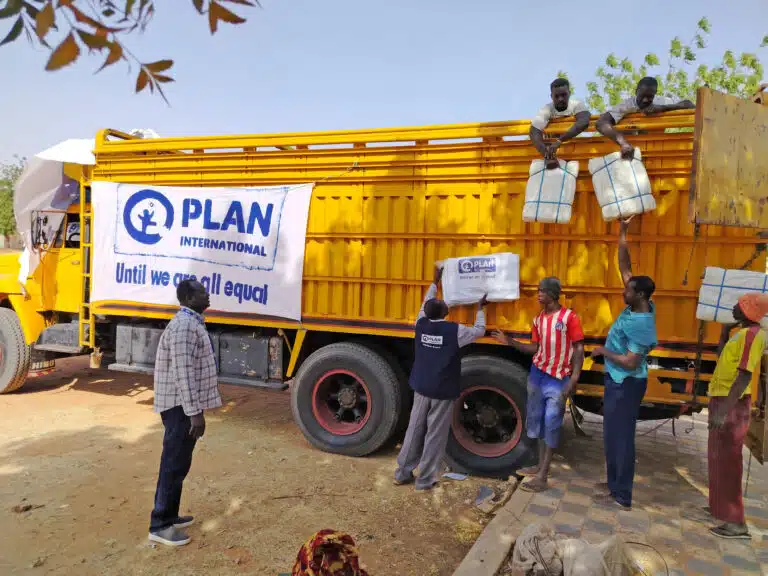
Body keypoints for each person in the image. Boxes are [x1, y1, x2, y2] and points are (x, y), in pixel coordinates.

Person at [394, 264, 487, 490]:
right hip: (443, 390)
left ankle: (402, 472)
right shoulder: (455, 331)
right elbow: (479, 330)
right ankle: (425, 480)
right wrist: (481, 308)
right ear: (446, 312)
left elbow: (426, 304)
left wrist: (435, 283)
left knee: (414, 429)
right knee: (435, 435)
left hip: (421, 386)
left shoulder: (420, 324)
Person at [492, 277, 585, 492]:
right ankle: (540, 466)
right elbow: (535, 349)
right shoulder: (538, 320)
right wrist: (510, 342)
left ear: (553, 293)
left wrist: (574, 378)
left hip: (558, 378)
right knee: (536, 420)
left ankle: (542, 476)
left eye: (542, 291)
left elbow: (579, 348)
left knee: (552, 422)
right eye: (538, 290)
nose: (539, 294)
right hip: (537, 375)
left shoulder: (569, 317)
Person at [590, 218, 657, 510]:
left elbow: (631, 362)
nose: (622, 291)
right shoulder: (638, 303)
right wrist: (623, 232)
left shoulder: (642, 323)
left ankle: (622, 495)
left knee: (621, 438)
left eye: (627, 290)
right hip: (618, 381)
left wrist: (603, 351)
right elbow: (624, 266)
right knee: (612, 436)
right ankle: (613, 483)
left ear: (639, 295)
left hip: (626, 383)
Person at [148, 279, 221, 546]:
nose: (207, 293)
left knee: (180, 463)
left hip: (183, 406)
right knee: (173, 463)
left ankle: (170, 514)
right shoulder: (183, 327)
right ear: (190, 298)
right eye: (202, 290)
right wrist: (194, 413)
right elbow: (183, 374)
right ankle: (160, 525)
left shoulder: (191, 323)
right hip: (179, 407)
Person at [706, 293, 768, 540]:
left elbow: (744, 375)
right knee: (717, 457)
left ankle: (736, 522)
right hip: (722, 398)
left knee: (730, 462)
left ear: (749, 310)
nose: (732, 307)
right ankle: (720, 507)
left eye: (738, 304)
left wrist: (722, 412)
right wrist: (723, 332)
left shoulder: (753, 335)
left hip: (732, 403)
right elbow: (723, 358)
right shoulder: (740, 333)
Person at [596, 77, 695, 159]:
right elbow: (601, 123)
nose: (645, 100)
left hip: (658, 152)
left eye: (649, 97)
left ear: (655, 93)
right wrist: (624, 143)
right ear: (636, 91)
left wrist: (662, 108)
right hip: (632, 154)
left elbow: (689, 105)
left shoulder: (662, 101)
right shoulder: (627, 105)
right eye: (642, 96)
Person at [530, 78, 591, 169]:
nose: (560, 99)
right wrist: (547, 154)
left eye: (564, 95)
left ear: (569, 93)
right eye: (556, 96)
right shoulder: (546, 109)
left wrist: (559, 140)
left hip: (573, 149)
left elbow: (584, 121)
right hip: (552, 150)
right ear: (551, 96)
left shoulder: (577, 105)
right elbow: (534, 131)